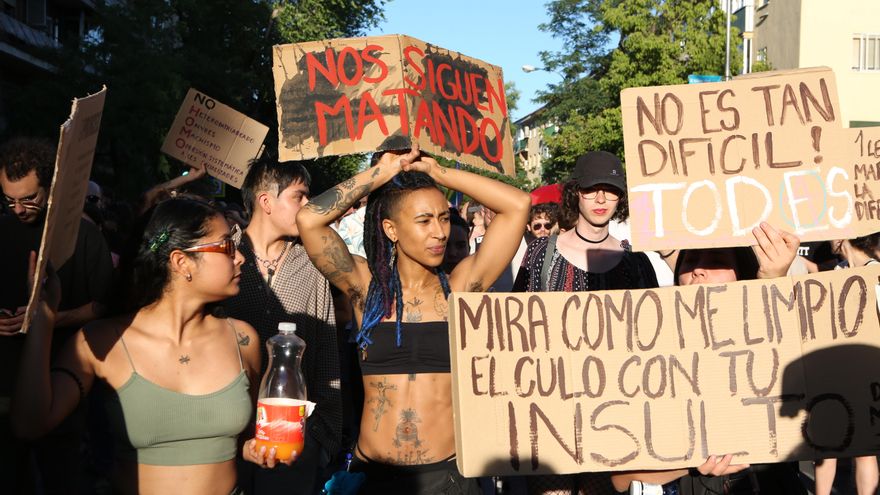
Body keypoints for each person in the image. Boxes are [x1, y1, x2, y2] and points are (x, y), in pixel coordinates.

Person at [295, 143, 531, 494]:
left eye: (444, 218)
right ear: (391, 229)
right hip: (371, 478)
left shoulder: (462, 288)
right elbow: (309, 218)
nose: (439, 232)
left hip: (446, 479)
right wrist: (382, 172)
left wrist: (437, 172)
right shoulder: (364, 288)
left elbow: (518, 205)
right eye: (423, 221)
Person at [11, 197, 261, 494]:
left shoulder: (242, 340)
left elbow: (246, 437)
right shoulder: (104, 342)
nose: (240, 257)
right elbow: (29, 424)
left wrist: (257, 448)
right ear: (181, 262)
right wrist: (43, 318)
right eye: (226, 246)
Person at [611, 223, 806, 495]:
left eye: (715, 261)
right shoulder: (654, 360)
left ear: (742, 275)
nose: (698, 270)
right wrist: (692, 465)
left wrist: (773, 279)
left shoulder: (774, 336)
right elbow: (621, 478)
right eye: (689, 261)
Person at [512, 151, 657, 495]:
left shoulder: (635, 262)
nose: (602, 198)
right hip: (552, 410)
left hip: (614, 412)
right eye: (593, 188)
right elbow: (514, 327)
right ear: (576, 192)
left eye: (611, 189)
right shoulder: (540, 254)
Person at [0, 136, 114, 492]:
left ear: (50, 186)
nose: (18, 209)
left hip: (63, 389)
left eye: (29, 199)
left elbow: (106, 305)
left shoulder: (82, 235)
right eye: (8, 200)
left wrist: (48, 319)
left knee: (62, 479)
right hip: (4, 388)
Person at [223, 157, 342, 495]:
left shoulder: (312, 260)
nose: (308, 206)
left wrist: (323, 436)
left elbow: (327, 348)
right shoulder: (225, 254)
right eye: (299, 197)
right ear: (266, 202)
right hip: (230, 433)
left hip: (294, 436)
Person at [812, 232, 880, 495]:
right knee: (826, 446)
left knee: (862, 451)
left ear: (843, 237)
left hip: (864, 370)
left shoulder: (875, 273)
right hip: (834, 371)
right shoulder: (837, 271)